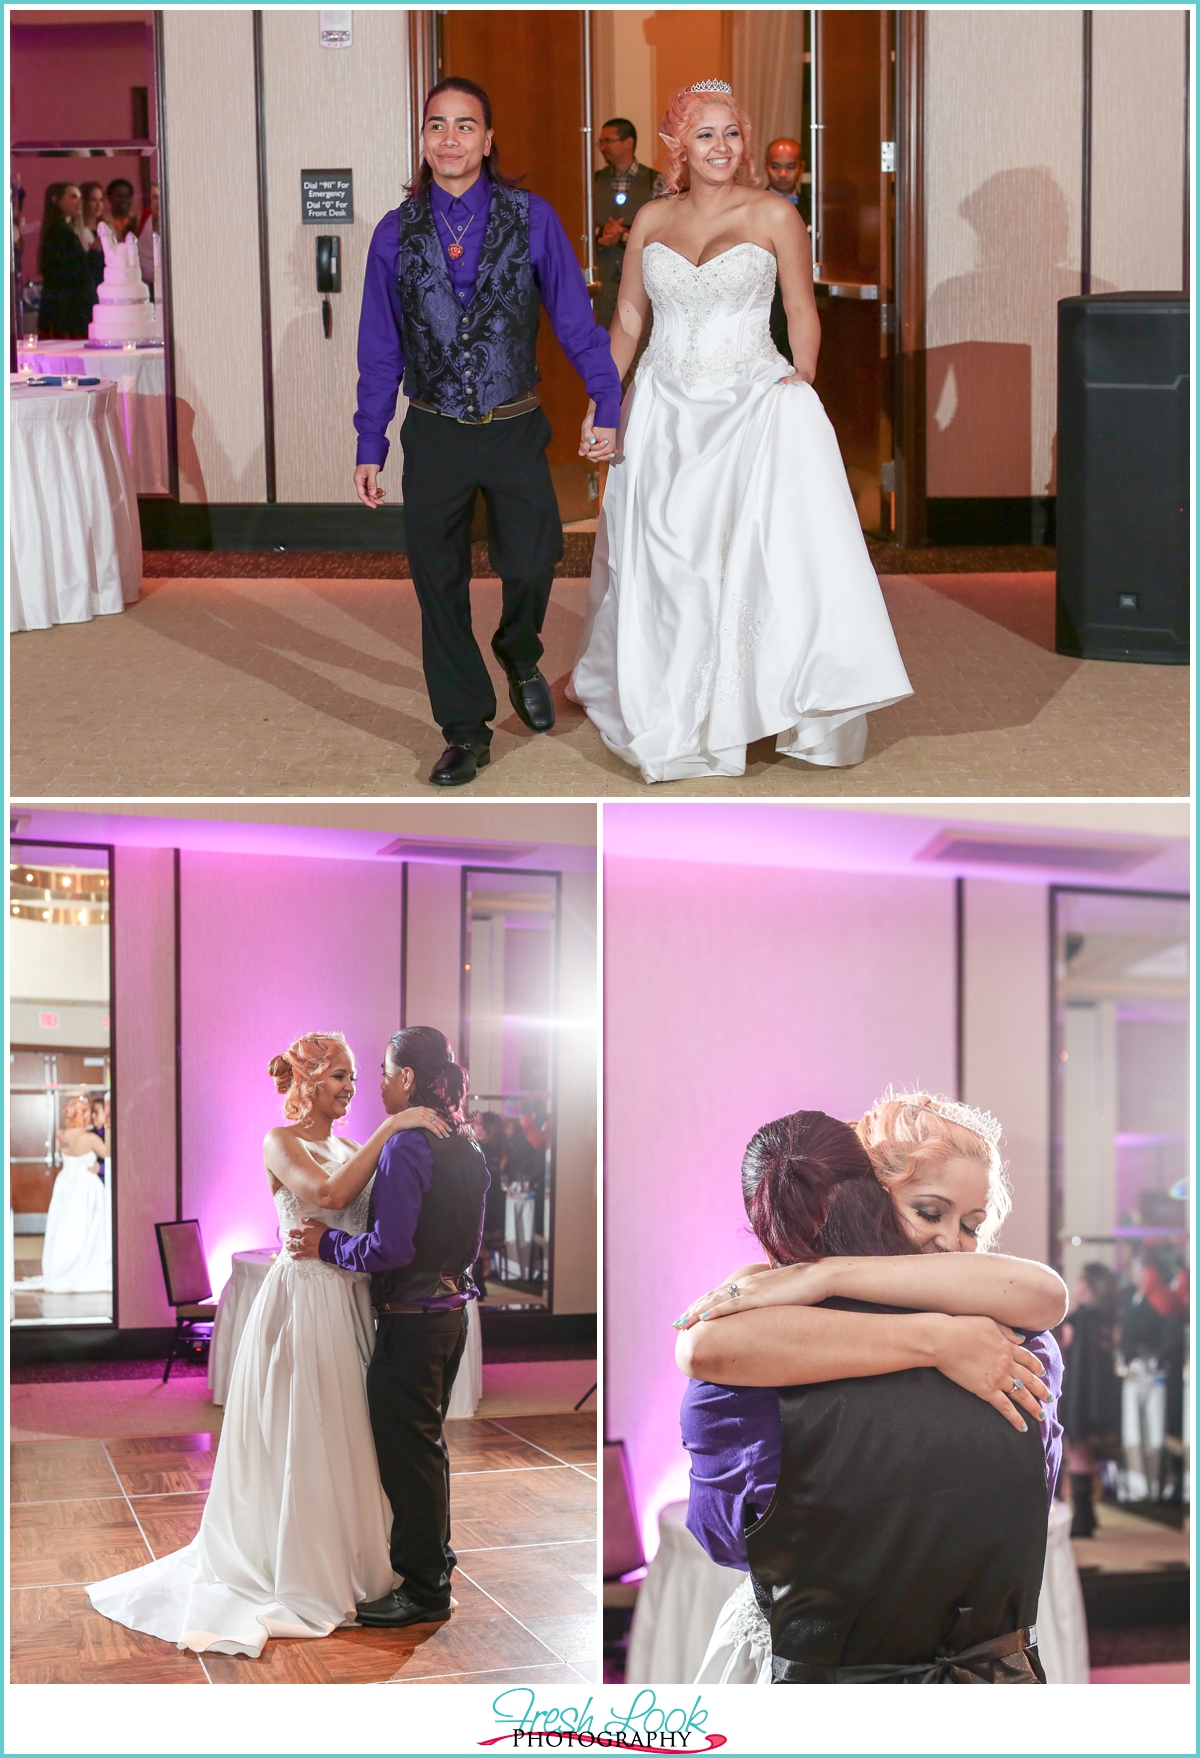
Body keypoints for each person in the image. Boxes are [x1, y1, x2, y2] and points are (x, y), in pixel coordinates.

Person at [569, 82, 911, 783]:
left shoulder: (776, 214)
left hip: (750, 399)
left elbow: (801, 309)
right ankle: (672, 696)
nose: (720, 147)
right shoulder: (652, 220)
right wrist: (604, 403)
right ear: (679, 147)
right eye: (705, 135)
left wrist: (803, 374)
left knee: (747, 557)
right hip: (664, 405)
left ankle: (752, 700)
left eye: (731, 134)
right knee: (670, 557)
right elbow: (630, 319)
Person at [675, 1093, 1066, 1685]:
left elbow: (726, 1539)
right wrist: (935, 1339)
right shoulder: (1016, 1346)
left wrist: (828, 1272)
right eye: (929, 1213)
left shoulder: (1014, 1338)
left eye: (972, 1225)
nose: (953, 1243)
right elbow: (700, 1347)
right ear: (871, 1199)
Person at [87, 1032, 451, 1657]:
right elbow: (331, 1197)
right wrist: (392, 1128)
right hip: (302, 1304)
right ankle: (295, 1564)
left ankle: (360, 1562)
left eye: (355, 1077)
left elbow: (368, 1215)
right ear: (309, 1082)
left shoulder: (344, 1142)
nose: (351, 1088)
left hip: (350, 1302)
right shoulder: (279, 1143)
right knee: (304, 1431)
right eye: (339, 1076)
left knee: (353, 1433)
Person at [353, 77, 622, 789]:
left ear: (489, 139)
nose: (450, 138)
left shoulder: (532, 218)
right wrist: (369, 441)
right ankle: (465, 733)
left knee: (533, 561)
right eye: (437, 125)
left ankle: (519, 647)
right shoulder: (394, 231)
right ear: (423, 140)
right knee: (438, 586)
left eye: (465, 125)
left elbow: (573, 320)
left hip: (513, 426)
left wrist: (608, 397)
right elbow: (379, 347)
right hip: (435, 432)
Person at [288, 1026, 490, 1628]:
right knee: (427, 1449)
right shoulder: (468, 1144)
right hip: (453, 1315)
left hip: (412, 1321)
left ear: (406, 1079)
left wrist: (329, 1245)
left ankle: (422, 1588)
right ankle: (437, 1567)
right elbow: (470, 1244)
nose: (373, 1083)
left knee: (407, 1455)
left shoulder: (407, 1147)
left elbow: (389, 1249)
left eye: (380, 1070)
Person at [21, 1096, 111, 1293]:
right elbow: (108, 1153)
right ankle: (83, 1264)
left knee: (65, 1227)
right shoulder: (91, 1138)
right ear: (85, 1115)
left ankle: (61, 1264)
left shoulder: (61, 1134)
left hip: (66, 1186)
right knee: (85, 1228)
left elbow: (68, 1149)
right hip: (86, 1187)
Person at [1058, 1263, 1122, 1536]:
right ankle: (1087, 1516)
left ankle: (1082, 1520)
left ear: (1089, 1285)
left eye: (1081, 1279)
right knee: (1084, 1451)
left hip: (1081, 1395)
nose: (1076, 1283)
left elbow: (1079, 1366)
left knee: (1077, 1450)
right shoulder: (1106, 1318)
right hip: (1103, 1394)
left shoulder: (1081, 1319)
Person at [593, 119, 659, 332]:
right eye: (600, 142)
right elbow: (577, 228)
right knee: (604, 347)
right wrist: (600, 233)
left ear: (628, 142)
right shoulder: (591, 181)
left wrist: (624, 236)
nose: (602, 147)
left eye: (608, 141)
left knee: (640, 347)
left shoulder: (656, 181)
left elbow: (667, 232)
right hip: (603, 287)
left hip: (643, 285)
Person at [36, 184, 94, 339]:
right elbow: (71, 271)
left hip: (64, 311)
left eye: (80, 197)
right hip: (66, 313)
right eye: (73, 196)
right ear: (56, 200)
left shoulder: (59, 230)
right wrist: (93, 253)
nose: (79, 202)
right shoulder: (59, 232)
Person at [104, 177, 138, 243]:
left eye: (127, 196)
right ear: (110, 198)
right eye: (119, 196)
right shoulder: (104, 222)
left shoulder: (137, 221)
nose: (124, 200)